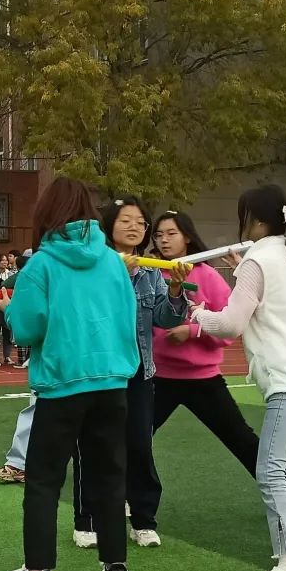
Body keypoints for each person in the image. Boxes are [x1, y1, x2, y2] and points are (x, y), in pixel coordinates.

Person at [0, 177, 139, 571]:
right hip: (112, 382)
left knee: (43, 480)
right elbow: (127, 317)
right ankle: (116, 567)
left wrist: (9, 309)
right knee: (109, 476)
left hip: (62, 385)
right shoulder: (112, 261)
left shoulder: (41, 264)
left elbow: (27, 327)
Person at [192, 185, 286, 571]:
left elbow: (231, 323)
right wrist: (244, 270)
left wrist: (198, 314)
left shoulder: (260, 260)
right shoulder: (284, 254)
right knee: (283, 468)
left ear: (255, 220)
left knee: (269, 470)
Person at [72, 197, 189, 550]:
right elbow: (88, 312)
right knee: (93, 447)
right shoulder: (94, 266)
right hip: (99, 372)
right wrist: (117, 277)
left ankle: (143, 519)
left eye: (140, 222)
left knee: (139, 445)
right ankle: (87, 519)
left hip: (139, 373)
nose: (134, 227)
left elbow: (165, 319)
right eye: (126, 220)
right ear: (109, 226)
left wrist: (175, 290)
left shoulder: (152, 272)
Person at [150, 211, 260, 503]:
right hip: (159, 378)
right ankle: (124, 497)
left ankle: (282, 493)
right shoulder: (151, 274)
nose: (164, 240)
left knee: (243, 440)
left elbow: (229, 329)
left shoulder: (207, 276)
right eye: (158, 235)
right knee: (132, 439)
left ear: (187, 237)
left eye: (171, 234)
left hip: (204, 381)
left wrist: (193, 331)